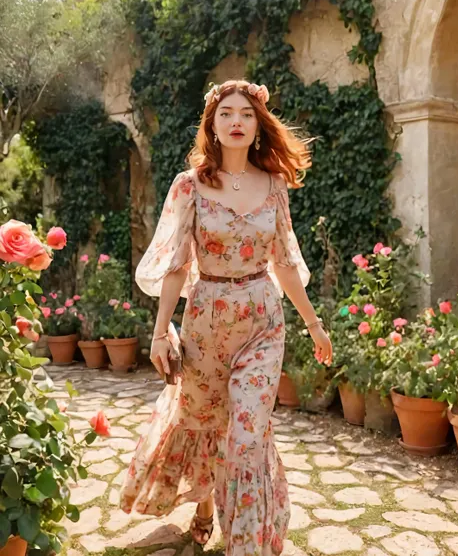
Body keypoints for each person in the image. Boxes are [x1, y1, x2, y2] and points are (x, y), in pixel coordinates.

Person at [120, 79, 333, 555]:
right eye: (226, 114)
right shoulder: (190, 186)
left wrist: (314, 324)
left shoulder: (275, 185)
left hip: (261, 320)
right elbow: (177, 266)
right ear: (212, 126)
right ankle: (203, 502)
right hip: (206, 322)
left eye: (246, 114)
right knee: (206, 422)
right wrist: (159, 334)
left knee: (247, 432)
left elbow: (283, 261)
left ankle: (248, 541)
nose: (236, 121)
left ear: (258, 126)